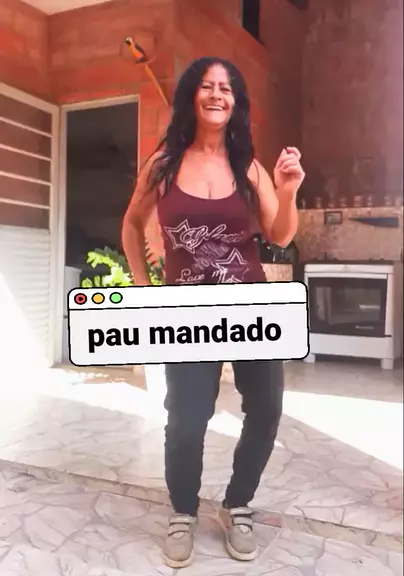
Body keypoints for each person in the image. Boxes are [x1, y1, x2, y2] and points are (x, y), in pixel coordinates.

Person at [122, 57, 305, 569]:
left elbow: (280, 234)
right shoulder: (163, 165)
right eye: (207, 86)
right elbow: (132, 225)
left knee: (266, 409)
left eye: (226, 88)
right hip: (186, 312)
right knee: (186, 419)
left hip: (250, 308)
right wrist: (143, 290)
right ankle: (183, 511)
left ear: (236, 101)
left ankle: (236, 504)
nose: (217, 95)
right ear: (192, 96)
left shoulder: (249, 167)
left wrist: (288, 190)